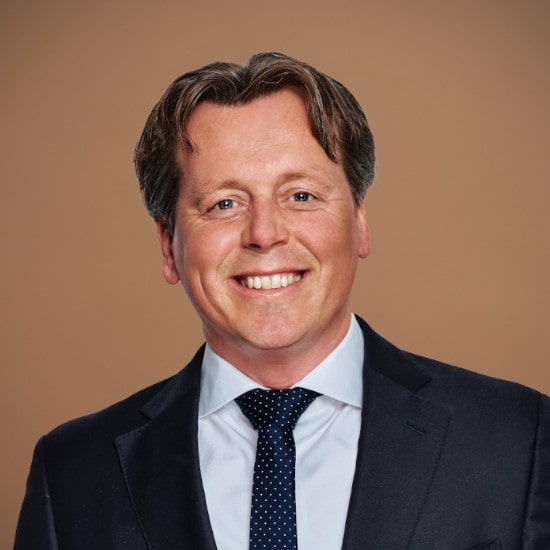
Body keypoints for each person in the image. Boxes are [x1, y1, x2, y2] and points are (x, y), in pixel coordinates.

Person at [15, 52, 549, 550]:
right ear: (168, 245)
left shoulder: (517, 439)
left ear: (360, 222)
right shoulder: (71, 473)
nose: (265, 234)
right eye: (224, 204)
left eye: (301, 195)